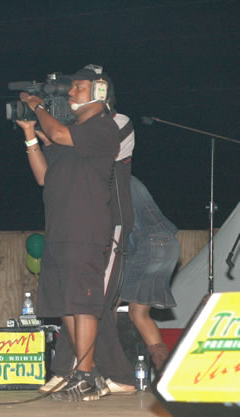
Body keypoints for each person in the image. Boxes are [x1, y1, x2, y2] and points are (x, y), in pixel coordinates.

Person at [17, 65, 120, 401]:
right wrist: (31, 135)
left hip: (84, 229)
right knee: (66, 303)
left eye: (78, 87)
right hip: (59, 229)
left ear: (99, 93)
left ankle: (87, 374)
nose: (71, 92)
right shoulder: (69, 131)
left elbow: (59, 135)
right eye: (72, 87)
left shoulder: (103, 128)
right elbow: (43, 176)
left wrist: (39, 106)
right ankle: (84, 371)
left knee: (83, 304)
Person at [39, 111, 138, 396]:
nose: (72, 96)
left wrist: (46, 115)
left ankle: (108, 373)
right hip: (76, 225)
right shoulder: (77, 131)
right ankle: (74, 369)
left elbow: (66, 137)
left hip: (111, 222)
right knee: (75, 299)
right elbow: (55, 157)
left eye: (78, 89)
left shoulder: (114, 123)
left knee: (92, 301)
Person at [121, 175, 179, 371]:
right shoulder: (131, 180)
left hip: (149, 244)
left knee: (107, 305)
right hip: (168, 245)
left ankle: (110, 367)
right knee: (138, 313)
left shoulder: (115, 180)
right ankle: (164, 369)